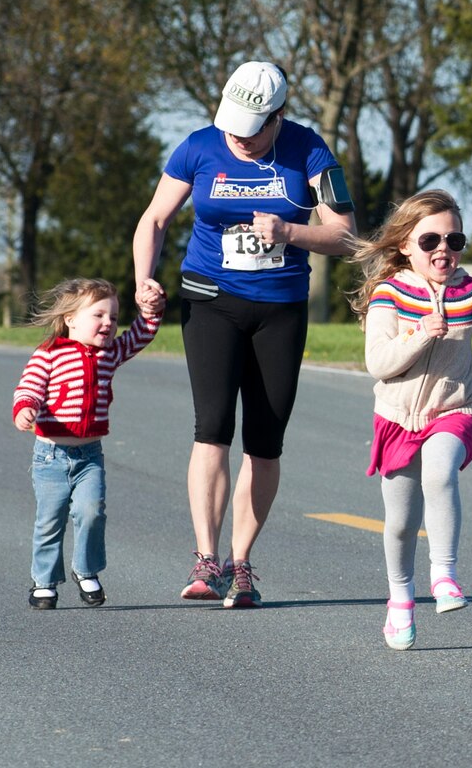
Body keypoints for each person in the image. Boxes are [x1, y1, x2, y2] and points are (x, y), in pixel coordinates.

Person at [132, 61, 357, 608]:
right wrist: (143, 280)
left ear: (278, 116)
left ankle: (242, 564)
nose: (239, 138)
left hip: (279, 309)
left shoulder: (311, 153)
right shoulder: (198, 147)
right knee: (211, 427)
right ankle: (206, 561)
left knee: (265, 439)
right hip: (210, 300)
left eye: (252, 128)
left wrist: (290, 231)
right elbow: (155, 219)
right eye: (232, 127)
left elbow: (346, 236)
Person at [350, 190, 472, 650]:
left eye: (453, 238)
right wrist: (420, 333)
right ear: (405, 245)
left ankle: (444, 574)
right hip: (398, 418)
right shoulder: (391, 293)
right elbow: (379, 363)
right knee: (400, 521)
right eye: (430, 240)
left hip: (454, 411)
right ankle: (400, 599)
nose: (443, 249)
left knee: (441, 473)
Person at [12, 278, 165, 608]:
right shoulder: (49, 354)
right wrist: (25, 408)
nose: (108, 323)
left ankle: (87, 570)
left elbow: (141, 335)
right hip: (50, 455)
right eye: (98, 315)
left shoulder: (110, 353)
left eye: (112, 316)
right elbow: (30, 387)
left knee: (92, 512)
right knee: (50, 520)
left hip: (90, 456)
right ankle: (44, 582)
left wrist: (151, 311)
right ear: (71, 319)